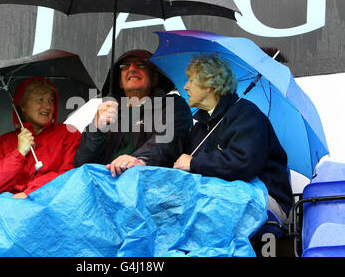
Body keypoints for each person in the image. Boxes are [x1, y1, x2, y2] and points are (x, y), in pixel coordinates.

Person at [134, 54, 293, 223]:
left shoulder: (247, 114)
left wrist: (193, 163)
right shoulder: (200, 127)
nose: (186, 87)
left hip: (265, 201)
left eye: (191, 81)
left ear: (210, 84)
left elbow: (243, 164)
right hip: (220, 198)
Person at [73, 49, 193, 177]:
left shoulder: (172, 105)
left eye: (140, 65)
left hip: (151, 185)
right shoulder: (108, 111)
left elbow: (167, 143)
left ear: (154, 78)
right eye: (125, 66)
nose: (132, 68)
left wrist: (140, 159)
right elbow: (82, 164)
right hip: (105, 187)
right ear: (119, 81)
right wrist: (96, 129)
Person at [0, 77, 81, 198]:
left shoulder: (68, 133)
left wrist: (30, 193)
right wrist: (19, 153)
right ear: (23, 106)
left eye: (51, 100)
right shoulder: (0, 143)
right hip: (10, 210)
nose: (48, 106)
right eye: (40, 100)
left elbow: (70, 175)